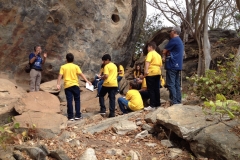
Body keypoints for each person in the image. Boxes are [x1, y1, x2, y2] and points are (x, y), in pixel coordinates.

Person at [56, 53, 92, 121]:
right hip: (75, 85)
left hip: (67, 86)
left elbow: (60, 76)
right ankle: (78, 115)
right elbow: (81, 74)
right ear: (73, 59)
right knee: (77, 100)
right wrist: (87, 81)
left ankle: (70, 116)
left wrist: (58, 84)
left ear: (66, 60)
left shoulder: (63, 67)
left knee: (69, 101)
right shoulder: (76, 66)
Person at [162, 26, 184, 105]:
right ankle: (178, 100)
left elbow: (164, 51)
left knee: (171, 83)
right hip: (178, 65)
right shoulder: (180, 41)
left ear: (174, 32)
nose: (170, 32)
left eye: (171, 31)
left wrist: (167, 53)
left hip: (172, 65)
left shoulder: (174, 40)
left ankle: (174, 101)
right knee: (177, 83)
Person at [144, 41, 163, 111]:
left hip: (151, 72)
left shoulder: (150, 53)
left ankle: (152, 105)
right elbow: (161, 66)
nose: (147, 49)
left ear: (151, 47)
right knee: (156, 89)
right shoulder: (158, 55)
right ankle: (158, 104)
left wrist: (146, 71)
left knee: (151, 89)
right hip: (158, 72)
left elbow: (147, 62)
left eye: (148, 47)